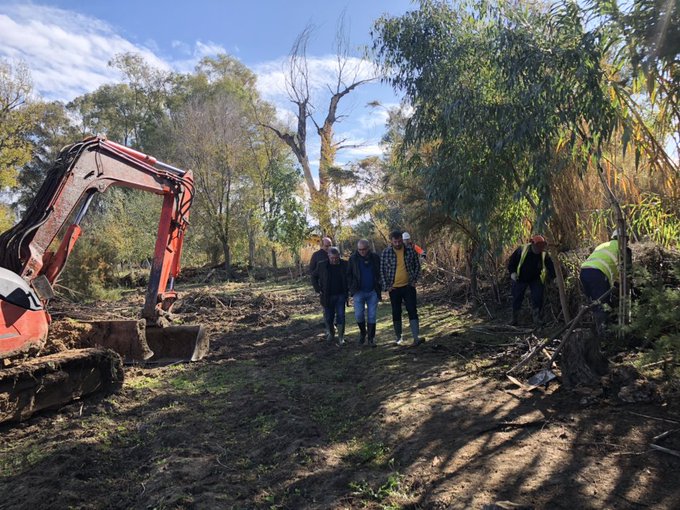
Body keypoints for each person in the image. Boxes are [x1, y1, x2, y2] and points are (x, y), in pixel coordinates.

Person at [580, 229, 632, 335]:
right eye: (627, 240)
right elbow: (627, 271)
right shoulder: (623, 249)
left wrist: (616, 282)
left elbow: (613, 265)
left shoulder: (603, 245)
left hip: (584, 272)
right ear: (624, 239)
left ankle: (597, 330)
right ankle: (604, 334)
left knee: (595, 303)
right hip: (598, 273)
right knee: (603, 304)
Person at [381, 230, 422, 346]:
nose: (398, 243)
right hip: (394, 289)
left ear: (402, 240)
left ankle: (416, 337)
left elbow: (417, 266)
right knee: (396, 312)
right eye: (395, 241)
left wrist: (415, 281)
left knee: (412, 310)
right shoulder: (386, 253)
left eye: (400, 241)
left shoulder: (410, 250)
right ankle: (399, 337)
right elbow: (382, 270)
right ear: (391, 241)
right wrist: (386, 286)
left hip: (408, 286)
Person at [507, 234, 556, 326]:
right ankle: (514, 318)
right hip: (520, 278)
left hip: (535, 278)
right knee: (517, 297)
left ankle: (537, 319)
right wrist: (512, 273)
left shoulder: (544, 254)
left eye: (541, 246)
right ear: (532, 244)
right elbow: (511, 263)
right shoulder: (521, 250)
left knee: (538, 297)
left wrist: (554, 277)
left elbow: (551, 266)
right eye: (538, 246)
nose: (539, 249)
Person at [347, 239, 382, 346]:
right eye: (359, 249)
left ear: (368, 248)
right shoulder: (353, 259)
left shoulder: (375, 258)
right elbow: (348, 274)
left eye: (364, 249)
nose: (362, 251)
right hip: (358, 291)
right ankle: (363, 333)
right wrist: (351, 287)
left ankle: (371, 339)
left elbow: (380, 271)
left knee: (372, 316)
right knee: (358, 315)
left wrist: (380, 284)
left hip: (373, 291)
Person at [312, 247, 348, 345]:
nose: (334, 260)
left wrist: (348, 289)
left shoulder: (345, 264)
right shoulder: (322, 265)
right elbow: (313, 276)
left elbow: (350, 276)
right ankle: (331, 333)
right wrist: (318, 289)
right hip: (327, 296)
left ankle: (341, 337)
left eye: (336, 258)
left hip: (341, 295)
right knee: (328, 317)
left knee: (341, 315)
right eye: (332, 258)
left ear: (339, 256)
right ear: (328, 256)